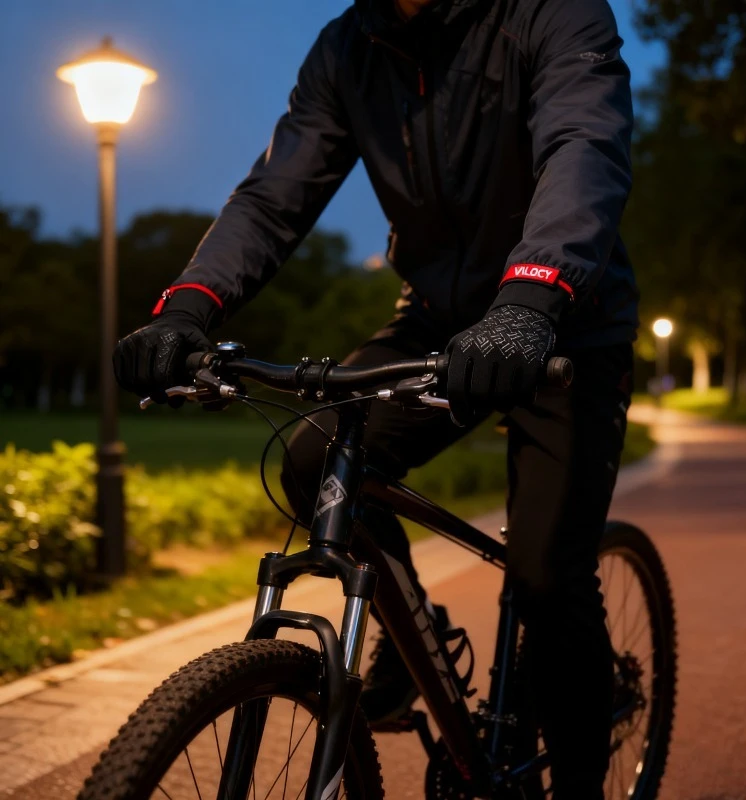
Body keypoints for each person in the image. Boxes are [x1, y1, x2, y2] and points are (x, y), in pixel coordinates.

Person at [114, 0, 638, 796]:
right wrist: (189, 306)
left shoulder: (549, 12)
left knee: (547, 578)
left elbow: (583, 145)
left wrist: (532, 299)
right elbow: (273, 195)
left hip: (565, 320)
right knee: (313, 457)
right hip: (435, 319)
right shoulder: (347, 48)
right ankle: (414, 636)